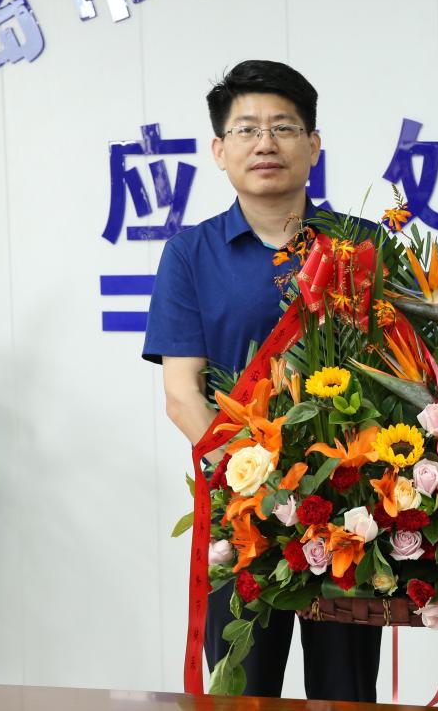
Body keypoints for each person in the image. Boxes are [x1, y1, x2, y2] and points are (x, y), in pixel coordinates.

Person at [143, 60, 380, 699]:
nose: (265, 143)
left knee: (345, 690)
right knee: (241, 688)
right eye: (246, 129)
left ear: (314, 145)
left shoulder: (361, 243)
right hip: (242, 511)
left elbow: (393, 373)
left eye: (284, 127)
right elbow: (181, 395)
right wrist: (256, 484)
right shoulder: (191, 253)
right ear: (219, 151)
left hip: (345, 509)